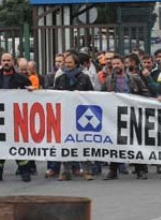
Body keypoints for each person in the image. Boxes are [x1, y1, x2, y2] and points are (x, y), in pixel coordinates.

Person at [0, 53, 33, 182]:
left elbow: (32, 96)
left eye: (8, 60)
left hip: (17, 117)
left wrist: (30, 91)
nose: (6, 62)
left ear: (13, 62)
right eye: (4, 60)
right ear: (1, 62)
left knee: (18, 144)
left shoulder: (22, 79)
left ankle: (25, 171)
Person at [102, 57, 149, 179]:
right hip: (115, 116)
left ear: (123, 64)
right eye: (113, 64)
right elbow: (100, 97)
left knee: (136, 142)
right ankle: (113, 170)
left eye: (118, 63)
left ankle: (140, 170)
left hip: (133, 114)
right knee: (116, 143)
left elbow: (146, 93)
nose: (116, 66)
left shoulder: (135, 79)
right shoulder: (108, 80)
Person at [50, 53, 94, 181]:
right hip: (65, 115)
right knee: (66, 142)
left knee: (83, 141)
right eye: (66, 62)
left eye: (70, 62)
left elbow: (91, 95)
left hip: (82, 115)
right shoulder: (60, 78)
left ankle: (86, 170)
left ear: (76, 64)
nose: (67, 65)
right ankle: (66, 171)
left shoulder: (85, 78)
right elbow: (54, 95)